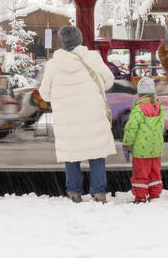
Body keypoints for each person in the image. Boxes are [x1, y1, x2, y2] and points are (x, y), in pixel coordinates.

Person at [38, 25, 116, 203]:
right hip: (92, 115)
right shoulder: (92, 58)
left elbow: (45, 94)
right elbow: (109, 81)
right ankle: (98, 192)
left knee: (71, 154)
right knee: (97, 153)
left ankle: (74, 192)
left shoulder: (53, 64)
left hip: (67, 119)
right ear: (79, 39)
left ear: (63, 42)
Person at [122, 76, 164, 203]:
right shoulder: (158, 106)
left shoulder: (138, 108)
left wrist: (126, 144)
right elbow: (162, 126)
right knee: (154, 173)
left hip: (141, 150)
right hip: (156, 148)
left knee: (140, 174)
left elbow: (131, 128)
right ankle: (155, 194)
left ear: (139, 92)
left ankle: (140, 197)